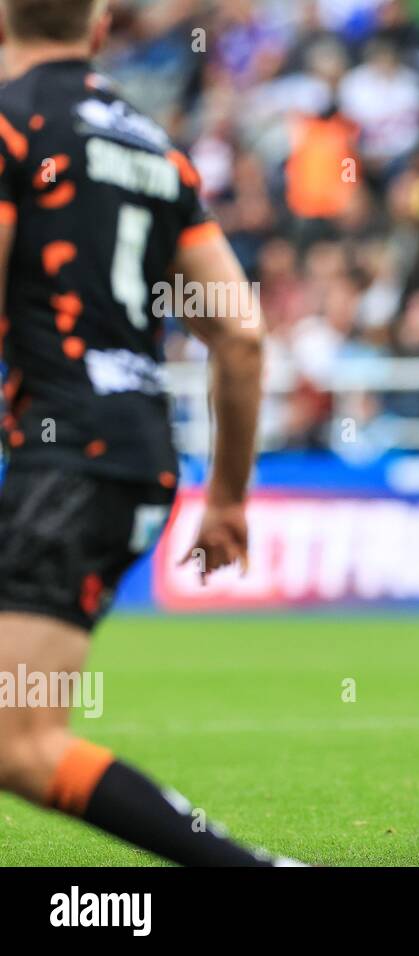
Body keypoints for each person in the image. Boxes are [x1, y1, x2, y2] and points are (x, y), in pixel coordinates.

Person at [0, 0, 291, 865]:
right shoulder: (153, 149)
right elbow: (238, 335)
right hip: (130, 451)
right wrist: (229, 500)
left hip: (66, 458)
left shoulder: (13, 127)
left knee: (19, 739)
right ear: (97, 31)